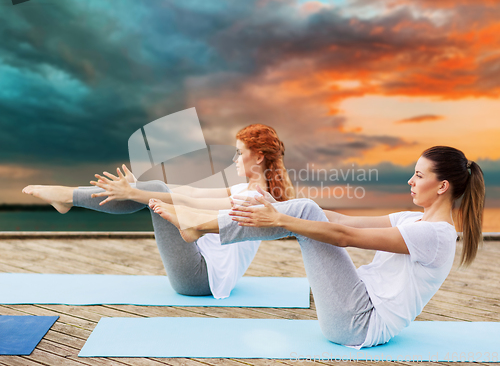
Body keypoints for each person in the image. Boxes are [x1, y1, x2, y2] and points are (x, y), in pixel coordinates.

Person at [150, 146, 485, 348]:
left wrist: (282, 220)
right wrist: (280, 207)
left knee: (302, 212)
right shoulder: (412, 220)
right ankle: (200, 224)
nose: (410, 181)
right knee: (301, 207)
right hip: (354, 308)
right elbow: (345, 220)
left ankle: (198, 225)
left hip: (360, 323)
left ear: (442, 185)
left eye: (418, 175)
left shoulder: (436, 235)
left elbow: (344, 237)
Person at [22, 124, 295, 299]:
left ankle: (67, 197)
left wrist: (138, 193)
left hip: (198, 280)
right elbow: (193, 193)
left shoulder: (256, 198)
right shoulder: (245, 189)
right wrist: (139, 189)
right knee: (154, 187)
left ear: (258, 156)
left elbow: (193, 205)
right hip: (203, 271)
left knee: (151, 190)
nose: (234, 159)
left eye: (239, 153)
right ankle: (69, 198)